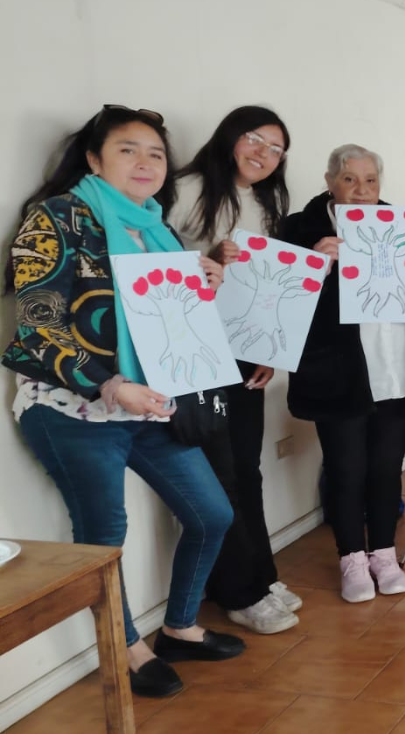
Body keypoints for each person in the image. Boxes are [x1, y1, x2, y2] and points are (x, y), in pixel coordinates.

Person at [3, 106, 244, 698]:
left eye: (156, 153)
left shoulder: (153, 226)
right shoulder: (56, 218)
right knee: (104, 535)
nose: (145, 163)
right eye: (128, 150)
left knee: (213, 514)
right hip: (73, 408)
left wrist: (201, 284)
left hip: (149, 404)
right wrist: (108, 384)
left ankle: (180, 626)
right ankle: (126, 648)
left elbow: (163, 318)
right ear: (93, 158)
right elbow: (36, 325)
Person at [278, 144, 405, 603]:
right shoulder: (300, 228)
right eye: (349, 180)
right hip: (338, 374)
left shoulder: (399, 226)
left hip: (395, 367)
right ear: (330, 181)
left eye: (370, 181)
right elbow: (280, 300)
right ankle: (351, 558)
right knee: (346, 468)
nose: (361, 191)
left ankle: (384, 554)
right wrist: (315, 264)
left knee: (385, 469)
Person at [167, 105, 300, 634]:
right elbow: (162, 272)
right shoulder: (186, 190)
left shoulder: (265, 201)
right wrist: (211, 256)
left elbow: (267, 287)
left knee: (247, 467)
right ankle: (236, 592)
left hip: (245, 350)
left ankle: (261, 577)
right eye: (255, 140)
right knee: (219, 476)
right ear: (229, 137)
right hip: (196, 352)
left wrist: (269, 350)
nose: (263, 154)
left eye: (276, 148)